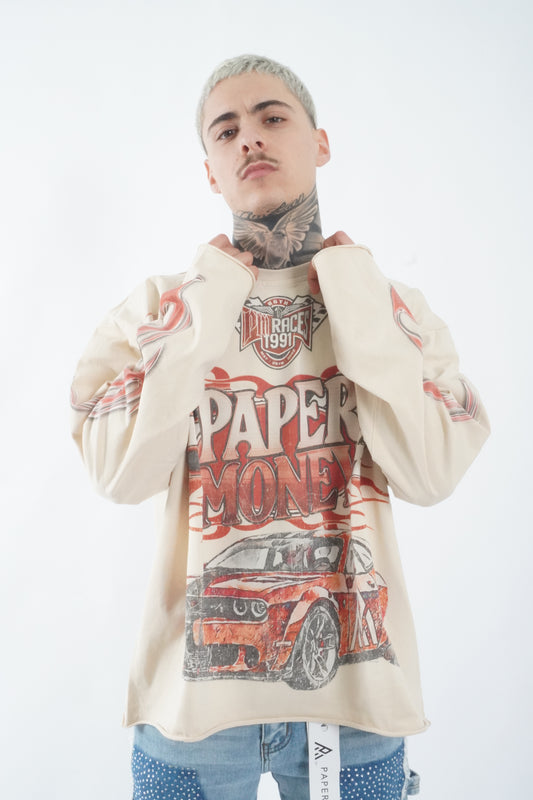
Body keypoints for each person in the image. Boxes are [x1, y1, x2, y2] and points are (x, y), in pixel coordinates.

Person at [70, 54, 490, 800]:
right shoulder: (161, 308)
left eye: (271, 117)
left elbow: (429, 474)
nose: (249, 139)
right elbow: (120, 475)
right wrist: (209, 299)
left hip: (354, 704)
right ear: (210, 171)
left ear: (319, 143)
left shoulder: (390, 306)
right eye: (225, 130)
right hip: (192, 709)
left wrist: (353, 294)